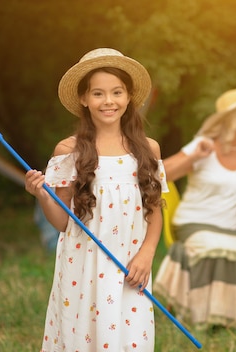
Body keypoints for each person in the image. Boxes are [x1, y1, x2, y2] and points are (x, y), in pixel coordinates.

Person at [25, 48, 167, 351]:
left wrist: (147, 255)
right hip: (84, 266)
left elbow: (155, 211)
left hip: (131, 266)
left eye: (117, 92)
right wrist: (42, 196)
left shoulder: (147, 149)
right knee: (85, 337)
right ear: (84, 98)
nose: (108, 101)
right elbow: (63, 222)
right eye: (99, 93)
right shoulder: (68, 150)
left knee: (130, 340)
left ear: (128, 97)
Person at [154, 86, 236, 330]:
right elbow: (160, 175)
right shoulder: (203, 145)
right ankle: (201, 317)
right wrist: (193, 157)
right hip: (195, 222)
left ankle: (226, 318)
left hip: (234, 228)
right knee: (214, 247)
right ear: (234, 118)